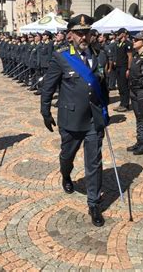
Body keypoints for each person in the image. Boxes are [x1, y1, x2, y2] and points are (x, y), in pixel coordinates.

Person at [40, 14, 109, 227]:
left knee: (94, 162)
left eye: (86, 32)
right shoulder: (61, 56)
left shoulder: (100, 55)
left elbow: (102, 87)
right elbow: (49, 86)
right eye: (79, 33)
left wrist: (105, 112)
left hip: (92, 120)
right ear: (70, 35)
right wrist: (45, 111)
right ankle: (66, 175)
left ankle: (94, 203)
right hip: (70, 119)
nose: (83, 37)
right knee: (67, 156)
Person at [114, 28, 133, 112]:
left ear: (123, 34)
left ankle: (125, 104)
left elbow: (130, 56)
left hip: (124, 67)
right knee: (120, 86)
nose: (118, 35)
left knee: (125, 86)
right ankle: (122, 103)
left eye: (119, 34)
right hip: (118, 67)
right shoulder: (119, 43)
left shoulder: (128, 44)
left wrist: (129, 68)